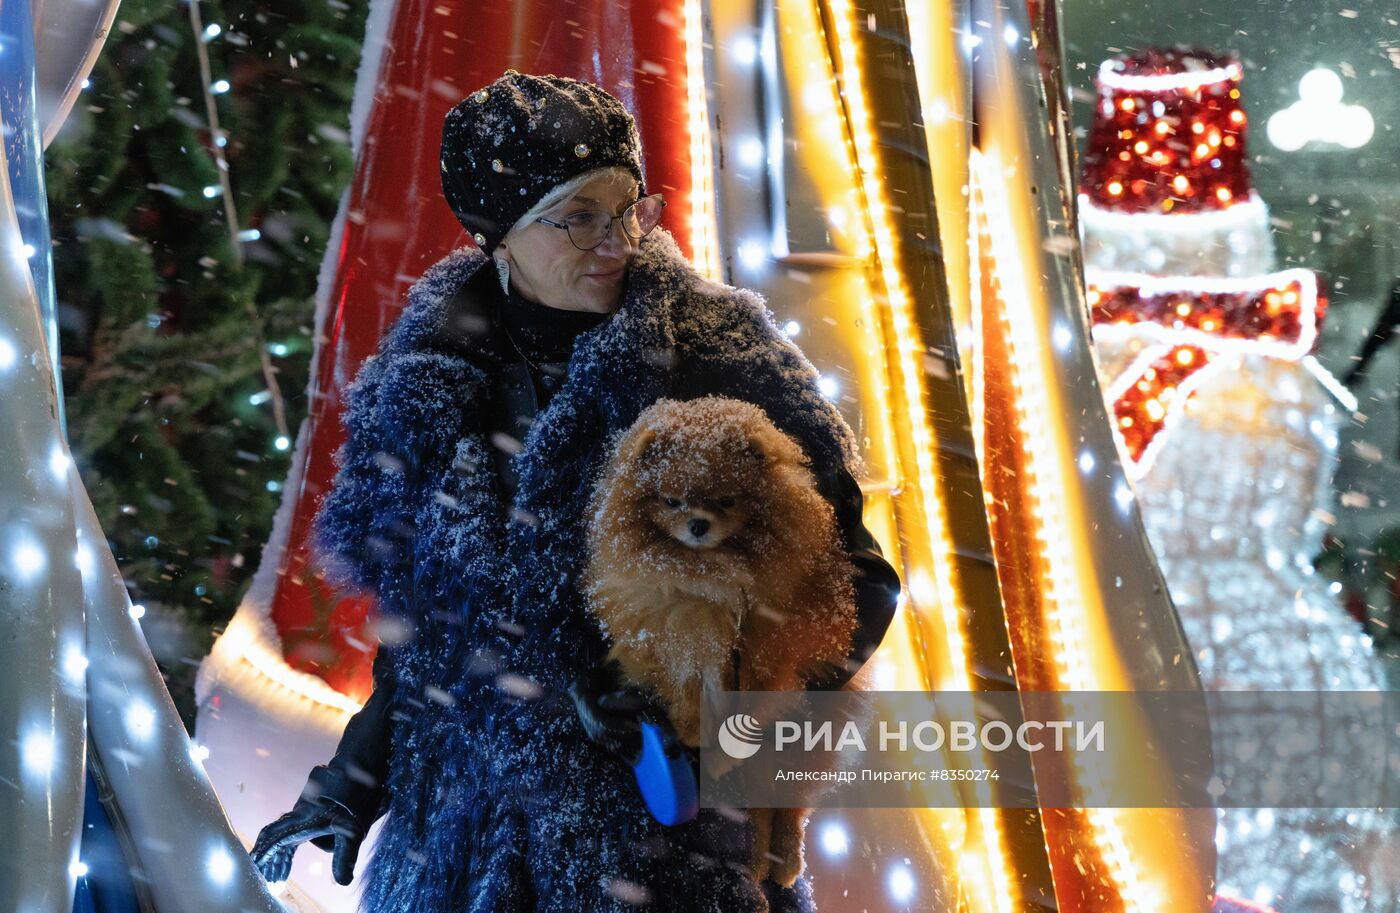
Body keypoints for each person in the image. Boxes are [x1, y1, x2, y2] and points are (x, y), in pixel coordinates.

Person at [249, 69, 901, 913]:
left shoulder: (716, 355)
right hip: (462, 849)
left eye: (628, 208)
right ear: (497, 235)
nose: (617, 242)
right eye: (579, 218)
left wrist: (718, 733)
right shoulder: (429, 384)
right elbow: (433, 645)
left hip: (665, 849)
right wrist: (349, 781)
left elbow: (861, 587)